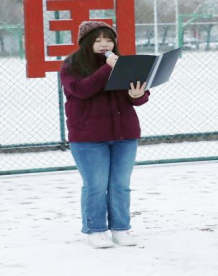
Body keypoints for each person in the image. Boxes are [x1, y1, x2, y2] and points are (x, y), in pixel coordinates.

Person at [59, 21, 150, 249]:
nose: (104, 44)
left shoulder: (122, 64)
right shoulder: (71, 66)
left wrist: (137, 94)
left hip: (124, 135)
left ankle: (121, 228)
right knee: (96, 186)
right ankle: (96, 230)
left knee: (121, 185)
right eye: (98, 40)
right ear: (86, 43)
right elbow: (81, 90)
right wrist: (108, 69)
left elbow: (139, 97)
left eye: (108, 40)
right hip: (88, 138)